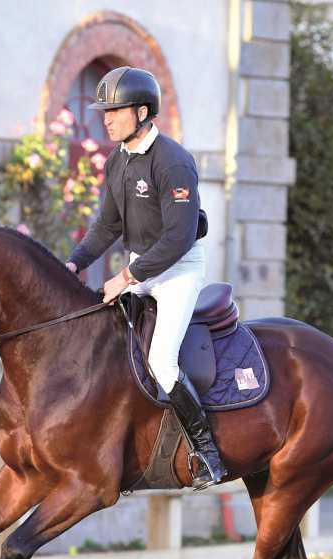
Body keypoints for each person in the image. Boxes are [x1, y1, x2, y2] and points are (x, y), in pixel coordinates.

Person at [65, 66, 225, 490]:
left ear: (141, 112)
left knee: (160, 362)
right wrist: (73, 263)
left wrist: (127, 276)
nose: (106, 119)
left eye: (114, 111)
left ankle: (207, 451)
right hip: (142, 268)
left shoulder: (174, 162)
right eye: (105, 111)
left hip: (177, 271)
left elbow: (177, 237)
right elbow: (106, 225)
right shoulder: (118, 160)